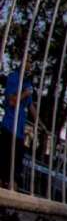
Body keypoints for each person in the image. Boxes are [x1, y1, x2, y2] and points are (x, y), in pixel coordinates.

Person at [0, 58, 36, 192]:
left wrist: (41, 125)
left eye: (31, 63)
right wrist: (25, 92)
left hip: (20, 133)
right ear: (22, 62)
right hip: (9, 128)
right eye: (28, 62)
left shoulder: (27, 82)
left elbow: (31, 105)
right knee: (3, 168)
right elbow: (12, 102)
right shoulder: (14, 78)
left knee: (15, 173)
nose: (30, 65)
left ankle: (10, 207)